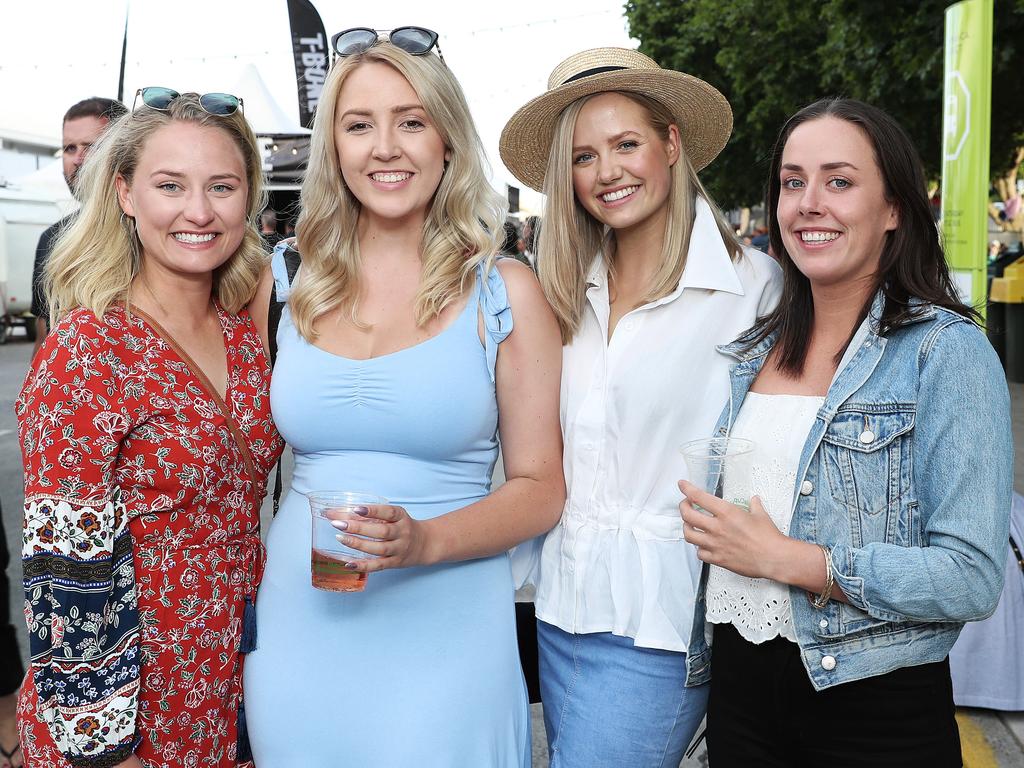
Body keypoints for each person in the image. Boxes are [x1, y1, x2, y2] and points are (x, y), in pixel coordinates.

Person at [242, 27, 564, 768]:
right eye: (360, 126)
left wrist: (424, 542)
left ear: (447, 141)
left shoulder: (502, 291)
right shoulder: (284, 284)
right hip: (303, 629)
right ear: (335, 149)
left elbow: (542, 489)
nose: (385, 147)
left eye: (411, 121)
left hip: (448, 633)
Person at [679, 98, 1012, 767]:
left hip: (872, 706)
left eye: (839, 181)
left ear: (893, 209)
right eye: (793, 182)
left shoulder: (944, 352)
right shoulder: (750, 353)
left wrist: (792, 560)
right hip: (740, 695)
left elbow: (971, 577)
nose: (809, 203)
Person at [499, 48, 782, 767]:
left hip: (660, 623)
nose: (608, 171)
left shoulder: (756, 291)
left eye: (627, 144)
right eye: (585, 156)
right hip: (557, 610)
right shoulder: (560, 288)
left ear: (670, 143)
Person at [17, 90, 281, 768]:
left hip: (233, 684)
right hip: (126, 710)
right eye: (171, 186)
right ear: (126, 194)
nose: (199, 212)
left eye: (221, 186)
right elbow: (63, 571)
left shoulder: (242, 334)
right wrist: (104, 749)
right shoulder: (87, 350)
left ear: (247, 195)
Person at [30, 97, 127, 358]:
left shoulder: (149, 233)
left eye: (91, 146)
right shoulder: (52, 240)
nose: (78, 159)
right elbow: (44, 339)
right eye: (69, 148)